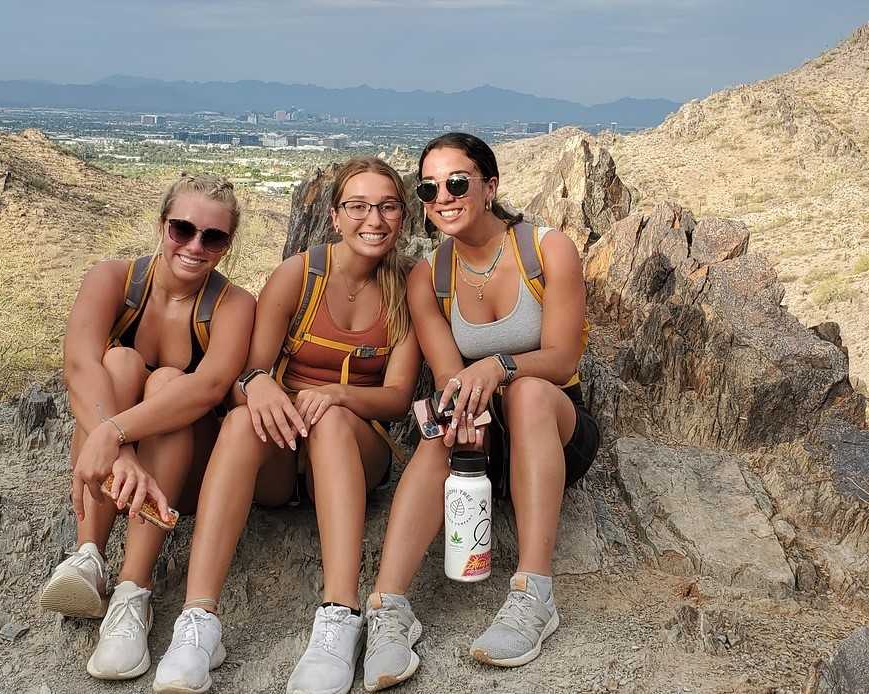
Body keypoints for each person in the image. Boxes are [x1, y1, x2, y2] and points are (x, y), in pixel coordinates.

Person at [151, 157, 422, 694]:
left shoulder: (409, 286)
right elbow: (245, 371)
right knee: (238, 425)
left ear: (404, 217)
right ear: (336, 216)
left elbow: (396, 398)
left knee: (334, 420)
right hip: (281, 447)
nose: (375, 219)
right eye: (359, 206)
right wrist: (262, 384)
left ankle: (340, 615)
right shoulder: (300, 274)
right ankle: (198, 621)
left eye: (389, 206)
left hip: (354, 447)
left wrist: (336, 394)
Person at [362, 133, 600, 691]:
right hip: (483, 428)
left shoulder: (546, 250)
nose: (443, 195)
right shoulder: (430, 277)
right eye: (429, 187)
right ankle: (389, 608)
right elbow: (448, 374)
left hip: (553, 422)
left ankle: (533, 594)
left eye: (457, 182)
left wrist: (497, 365)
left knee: (530, 393)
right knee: (440, 428)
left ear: (490, 186)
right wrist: (458, 402)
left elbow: (563, 357)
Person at [38, 173, 255, 681]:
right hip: (122, 459)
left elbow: (208, 388)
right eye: (183, 229)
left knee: (171, 384)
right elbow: (78, 367)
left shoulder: (233, 305)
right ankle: (89, 554)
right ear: (162, 225)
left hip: (189, 464)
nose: (195, 246)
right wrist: (123, 449)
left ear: (226, 246)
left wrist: (114, 437)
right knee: (117, 364)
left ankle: (133, 593)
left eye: (214, 237)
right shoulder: (113, 279)